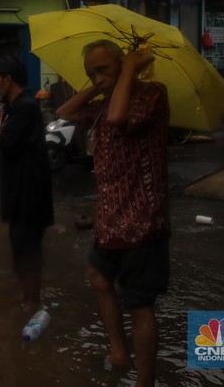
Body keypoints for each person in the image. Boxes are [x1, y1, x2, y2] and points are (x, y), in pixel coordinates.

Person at [56, 39, 170, 387]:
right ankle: (119, 353)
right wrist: (97, 86)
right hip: (109, 219)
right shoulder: (104, 104)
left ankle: (144, 381)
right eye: (92, 72)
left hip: (142, 220)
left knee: (138, 303)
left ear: (124, 65)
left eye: (104, 68)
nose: (98, 77)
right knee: (98, 278)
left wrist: (130, 70)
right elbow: (64, 113)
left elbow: (121, 117)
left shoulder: (151, 94)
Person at [0, 58, 54, 313]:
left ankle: (32, 300)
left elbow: (3, 147)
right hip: (18, 186)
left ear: (8, 79)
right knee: (18, 240)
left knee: (28, 244)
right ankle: (24, 293)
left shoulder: (25, 105)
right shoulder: (16, 106)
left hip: (29, 189)